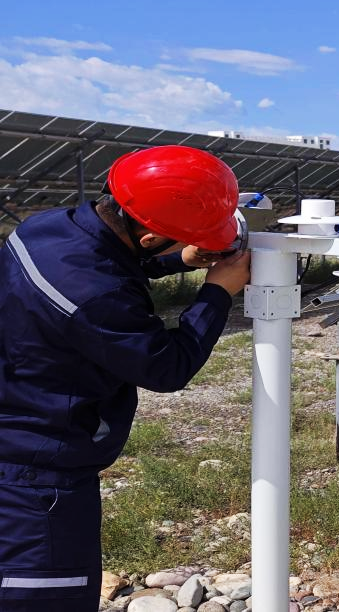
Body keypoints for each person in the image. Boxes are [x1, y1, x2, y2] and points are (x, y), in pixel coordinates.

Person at [0, 145, 251, 610]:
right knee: (41, 598)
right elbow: (167, 366)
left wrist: (181, 258)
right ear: (150, 236)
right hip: (35, 475)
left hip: (16, 422)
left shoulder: (44, 228)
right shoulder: (98, 297)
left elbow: (108, 258)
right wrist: (218, 292)